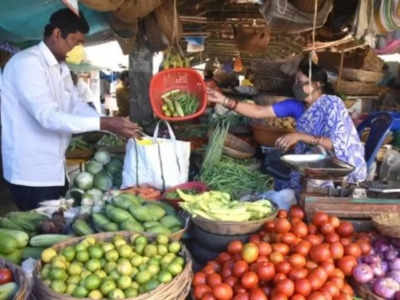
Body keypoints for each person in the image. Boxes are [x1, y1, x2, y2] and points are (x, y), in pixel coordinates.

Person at [1, 9, 142, 210]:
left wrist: (108, 125)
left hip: (55, 169)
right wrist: (104, 122)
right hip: (31, 174)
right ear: (57, 34)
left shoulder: (61, 67)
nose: (77, 49)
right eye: (75, 42)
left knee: (60, 223)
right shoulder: (27, 64)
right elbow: (47, 117)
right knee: (42, 232)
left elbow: (75, 105)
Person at [207, 59, 367, 192]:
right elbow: (258, 111)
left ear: (317, 85)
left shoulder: (333, 104)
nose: (296, 85)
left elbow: (336, 144)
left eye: (301, 82)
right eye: (295, 81)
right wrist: (224, 100)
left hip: (341, 166)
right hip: (313, 163)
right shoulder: (296, 105)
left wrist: (299, 136)